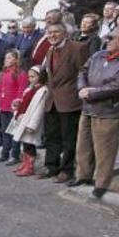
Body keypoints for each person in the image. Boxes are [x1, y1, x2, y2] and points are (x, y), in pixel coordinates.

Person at [70, 26, 119, 198]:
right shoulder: (98, 55)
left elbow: (118, 86)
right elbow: (83, 71)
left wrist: (91, 92)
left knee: (105, 151)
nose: (106, 40)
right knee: (83, 146)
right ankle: (83, 176)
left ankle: (101, 183)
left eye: (111, 37)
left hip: (108, 109)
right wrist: (82, 88)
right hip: (88, 107)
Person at [40, 23, 91, 183]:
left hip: (70, 100)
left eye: (56, 32)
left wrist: (81, 92)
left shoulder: (78, 48)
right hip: (52, 101)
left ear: (65, 33)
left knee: (68, 138)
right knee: (51, 136)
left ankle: (67, 170)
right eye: (49, 33)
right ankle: (51, 167)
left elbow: (84, 72)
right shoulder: (50, 50)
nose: (52, 35)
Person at [0, 50, 29, 164]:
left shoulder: (21, 74)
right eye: (5, 58)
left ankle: (15, 155)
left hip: (14, 108)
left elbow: (21, 90)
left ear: (16, 60)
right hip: (3, 106)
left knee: (14, 131)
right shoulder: (4, 73)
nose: (6, 60)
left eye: (9, 58)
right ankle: (4, 153)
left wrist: (18, 105)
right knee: (4, 130)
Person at [11, 66, 49, 177]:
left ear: (40, 76)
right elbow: (25, 102)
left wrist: (33, 125)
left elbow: (39, 109)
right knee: (25, 144)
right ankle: (25, 163)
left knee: (29, 145)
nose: (30, 79)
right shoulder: (29, 89)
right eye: (29, 77)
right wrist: (18, 103)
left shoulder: (42, 90)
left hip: (30, 122)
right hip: (23, 119)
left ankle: (30, 167)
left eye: (33, 76)